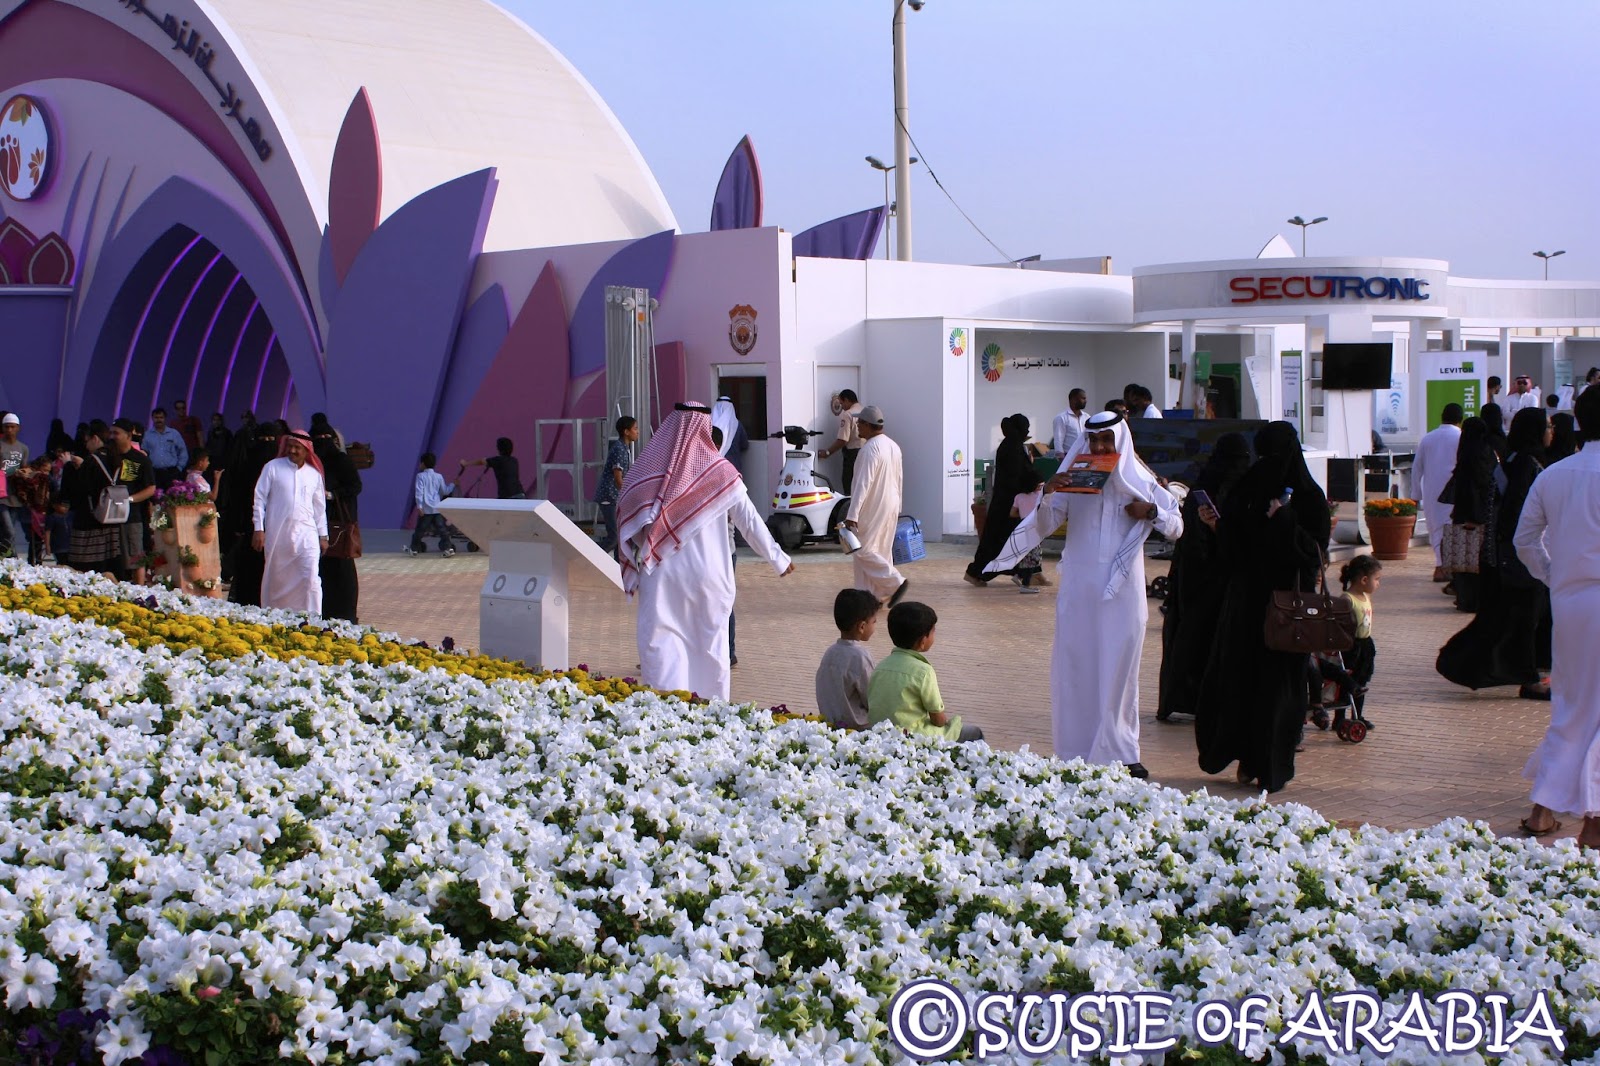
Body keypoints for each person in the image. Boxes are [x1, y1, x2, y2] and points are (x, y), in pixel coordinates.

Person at [983, 410, 1178, 775]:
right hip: (1079, 587)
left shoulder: (1143, 482)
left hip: (1124, 590)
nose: (1100, 446)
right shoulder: (1074, 481)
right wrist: (1049, 493)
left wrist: (1150, 511)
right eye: (1094, 441)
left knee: (1120, 667)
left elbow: (1176, 526)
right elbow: (1043, 524)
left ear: (1120, 440)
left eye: (1107, 440)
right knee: (1077, 664)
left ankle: (1120, 750)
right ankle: (1076, 749)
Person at [617, 402, 793, 700]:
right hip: (709, 577)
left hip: (662, 577)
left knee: (662, 644)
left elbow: (626, 517)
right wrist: (777, 558)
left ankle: (665, 718)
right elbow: (748, 520)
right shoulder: (721, 474)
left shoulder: (646, 474)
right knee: (711, 648)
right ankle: (713, 718)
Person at [1193, 421, 1331, 793]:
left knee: (1276, 688)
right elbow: (1235, 550)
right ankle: (1249, 759)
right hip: (1248, 606)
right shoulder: (1248, 490)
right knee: (1247, 685)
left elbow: (1315, 549)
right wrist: (1216, 527)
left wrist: (1284, 520)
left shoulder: (1305, 497)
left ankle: (1269, 764)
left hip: (1285, 608)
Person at [1513, 386, 1600, 848]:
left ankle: (1543, 810)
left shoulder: (1554, 475)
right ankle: (1593, 821)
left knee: (1572, 706)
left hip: (1572, 604)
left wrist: (1556, 577)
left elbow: (1524, 541)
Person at [1437, 407, 1554, 700]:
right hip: (1522, 559)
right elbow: (1521, 516)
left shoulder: (1509, 462)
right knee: (1527, 620)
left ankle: (1475, 666)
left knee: (1506, 619)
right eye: (1547, 426)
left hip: (1501, 557)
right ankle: (1530, 680)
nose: (1551, 431)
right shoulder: (1529, 466)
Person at [1157, 432, 1252, 722]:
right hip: (1224, 583)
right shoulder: (1243, 489)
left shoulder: (1205, 485)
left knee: (1190, 641)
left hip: (1194, 583)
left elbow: (1189, 543)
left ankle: (1181, 699)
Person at [866, 601, 983, 743]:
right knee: (974, 733)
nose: (935, 635)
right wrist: (947, 724)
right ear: (922, 640)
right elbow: (938, 719)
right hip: (913, 738)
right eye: (933, 631)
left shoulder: (881, 667)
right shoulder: (923, 671)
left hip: (881, 735)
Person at [251, 428, 329, 614]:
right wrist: (258, 529)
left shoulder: (314, 475)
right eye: (290, 446)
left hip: (307, 534)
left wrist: (323, 534)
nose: (292, 451)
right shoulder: (273, 467)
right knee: (278, 577)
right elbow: (259, 499)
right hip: (278, 533)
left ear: (306, 450)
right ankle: (274, 615)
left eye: (297, 448)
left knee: (310, 576)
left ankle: (313, 620)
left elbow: (319, 508)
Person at [965, 414, 1044, 587]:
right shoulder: (1012, 448)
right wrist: (1033, 482)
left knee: (1015, 541)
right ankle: (976, 572)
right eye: (1026, 428)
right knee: (998, 543)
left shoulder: (1011, 445)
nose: (1028, 432)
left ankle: (1030, 573)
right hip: (1007, 507)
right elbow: (1016, 476)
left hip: (1008, 504)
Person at [842, 405, 907, 607]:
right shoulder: (893, 445)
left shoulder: (869, 449)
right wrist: (899, 505)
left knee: (862, 549)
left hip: (872, 505)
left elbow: (863, 483)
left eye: (859, 423)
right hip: (890, 504)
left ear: (869, 425)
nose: (857, 426)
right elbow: (899, 478)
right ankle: (872, 597)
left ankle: (895, 582)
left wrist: (852, 513)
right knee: (882, 550)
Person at [225, 420, 282, 602]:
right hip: (265, 526)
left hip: (252, 526)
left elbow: (235, 496)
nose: (267, 443)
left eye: (271, 439)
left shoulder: (246, 462)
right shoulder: (278, 466)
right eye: (264, 439)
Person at [314, 426, 363, 622]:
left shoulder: (342, 461)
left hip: (338, 524)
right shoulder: (311, 464)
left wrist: (333, 495)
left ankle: (344, 613)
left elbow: (355, 486)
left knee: (341, 570)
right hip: (316, 523)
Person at [815, 588, 880, 731]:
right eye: (874, 621)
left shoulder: (830, 652)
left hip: (829, 725)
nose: (875, 626)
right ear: (862, 627)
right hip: (857, 729)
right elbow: (872, 699)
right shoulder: (860, 656)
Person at [1412, 403, 1464, 581]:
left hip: (1432, 491)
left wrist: (1415, 495)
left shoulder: (1428, 438)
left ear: (1442, 416)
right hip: (1455, 491)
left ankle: (1441, 564)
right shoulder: (1461, 437)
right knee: (1452, 527)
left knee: (1436, 529)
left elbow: (1416, 468)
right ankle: (1447, 566)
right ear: (1460, 419)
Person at [63, 421, 121, 577]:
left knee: (86, 571)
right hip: (111, 518)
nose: (86, 445)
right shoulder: (115, 457)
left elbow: (80, 489)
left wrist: (69, 466)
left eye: (87, 441)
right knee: (107, 569)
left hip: (90, 520)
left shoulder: (92, 460)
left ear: (95, 438)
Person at [1333, 554, 1383, 730]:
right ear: (1363, 579)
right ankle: (1339, 718)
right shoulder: (1347, 599)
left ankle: (1357, 715)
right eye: (1376, 579)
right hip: (1351, 648)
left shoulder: (1365, 596)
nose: (1378, 584)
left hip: (1365, 645)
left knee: (1362, 682)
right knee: (1348, 682)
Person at [593, 416, 638, 559]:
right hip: (609, 497)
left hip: (615, 498)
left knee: (620, 539)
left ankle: (619, 570)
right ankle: (588, 557)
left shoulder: (624, 449)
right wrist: (629, 497)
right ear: (626, 431)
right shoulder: (619, 449)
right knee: (613, 538)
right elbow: (618, 479)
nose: (638, 432)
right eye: (635, 428)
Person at [406, 454, 457, 557]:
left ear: (423, 464)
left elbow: (419, 492)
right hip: (437, 508)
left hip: (426, 509)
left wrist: (419, 506)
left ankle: (413, 549)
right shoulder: (439, 476)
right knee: (442, 529)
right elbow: (445, 491)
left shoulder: (420, 476)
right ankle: (448, 548)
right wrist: (453, 484)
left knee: (420, 529)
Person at [818, 389, 863, 494]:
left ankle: (850, 509)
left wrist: (827, 452)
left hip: (852, 455)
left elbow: (843, 440)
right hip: (865, 452)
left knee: (849, 487)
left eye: (842, 403)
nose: (841, 407)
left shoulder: (848, 414)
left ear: (847, 400)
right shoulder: (864, 410)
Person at [1, 411, 30, 558]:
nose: (9, 430)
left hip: (15, 495)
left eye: (12, 427)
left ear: (18, 428)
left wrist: (26, 473)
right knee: (9, 530)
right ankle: (13, 557)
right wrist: (14, 471)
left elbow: (24, 467)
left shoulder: (23, 448)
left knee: (7, 530)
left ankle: (5, 558)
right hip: (1, 495)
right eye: (7, 427)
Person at [460, 437, 527, 499]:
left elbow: (482, 461)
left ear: (499, 449)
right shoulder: (514, 460)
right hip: (520, 494)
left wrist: (466, 463)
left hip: (508, 496)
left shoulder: (498, 460)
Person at [142, 407, 188, 489]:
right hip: (155, 473)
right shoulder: (147, 435)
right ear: (152, 418)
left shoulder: (174, 433)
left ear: (165, 418)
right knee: (156, 498)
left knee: (172, 498)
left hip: (172, 472)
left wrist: (179, 467)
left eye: (161, 417)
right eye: (156, 418)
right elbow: (143, 454)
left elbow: (183, 451)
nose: (159, 420)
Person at [709, 396, 750, 475]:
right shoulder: (737, 425)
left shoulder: (708, 425)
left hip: (713, 466)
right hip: (733, 467)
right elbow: (745, 445)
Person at [1051, 388, 1089, 457]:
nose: (1086, 401)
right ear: (1073, 399)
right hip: (1069, 457)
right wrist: (1063, 461)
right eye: (1083, 398)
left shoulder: (1087, 417)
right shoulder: (1061, 418)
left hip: (1085, 456)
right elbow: (1058, 442)